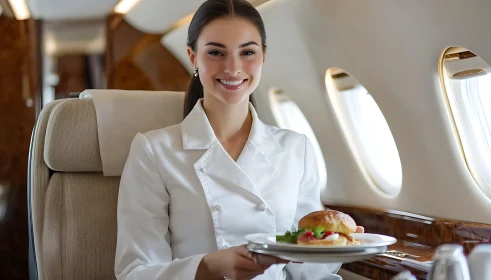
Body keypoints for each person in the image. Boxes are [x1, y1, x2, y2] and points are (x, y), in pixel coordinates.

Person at [114, 0, 363, 279]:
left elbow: (307, 271)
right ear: (193, 57)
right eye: (216, 52)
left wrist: (335, 243)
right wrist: (208, 267)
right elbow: (134, 272)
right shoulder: (154, 152)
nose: (233, 67)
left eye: (247, 52)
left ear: (263, 56)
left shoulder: (296, 149)